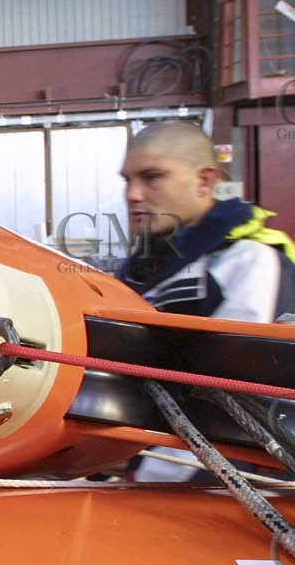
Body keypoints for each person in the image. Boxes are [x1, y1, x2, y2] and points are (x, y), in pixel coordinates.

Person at [116, 120, 295, 481]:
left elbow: (234, 410)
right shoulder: (142, 271)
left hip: (215, 500)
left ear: (205, 181)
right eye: (128, 180)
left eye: (152, 177)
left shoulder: (248, 263)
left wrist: (145, 481)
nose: (134, 194)